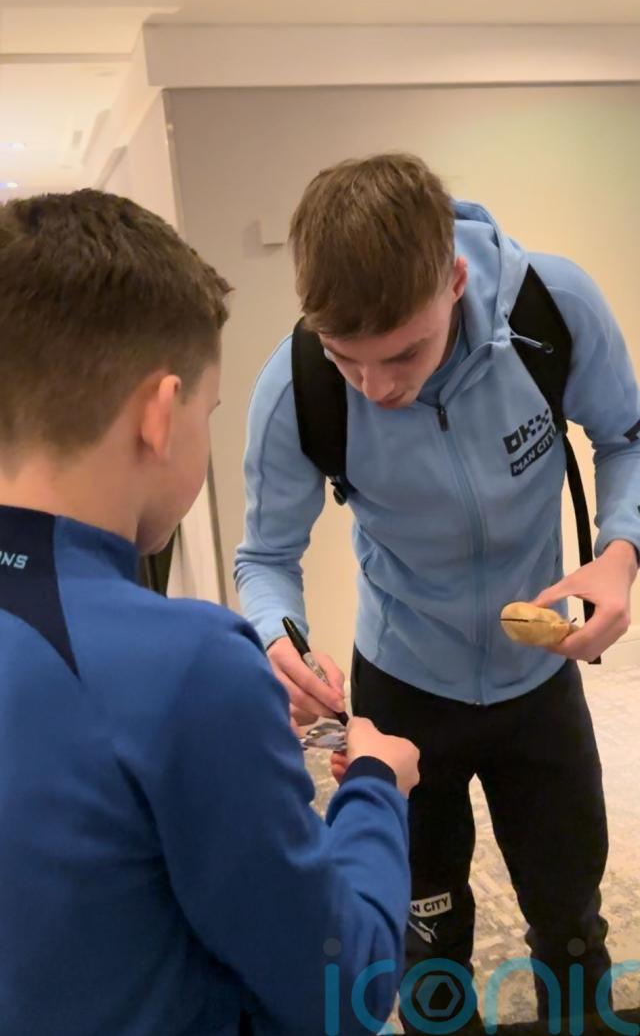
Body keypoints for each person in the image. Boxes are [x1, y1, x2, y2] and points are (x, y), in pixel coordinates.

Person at [235, 153, 640, 1033]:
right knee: (426, 941)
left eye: (403, 353)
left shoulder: (551, 309)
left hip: (539, 684)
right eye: (348, 360)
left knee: (572, 924)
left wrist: (621, 550)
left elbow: (627, 436)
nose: (378, 388)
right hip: (403, 687)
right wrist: (278, 639)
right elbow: (264, 557)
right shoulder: (296, 386)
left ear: (454, 281)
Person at [0, 188, 420, 1036]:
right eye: (209, 412)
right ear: (161, 414)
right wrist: (377, 787)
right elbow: (343, 989)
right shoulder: (190, 664)